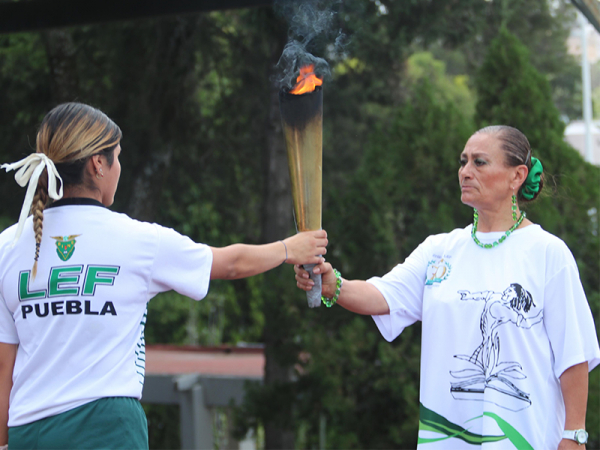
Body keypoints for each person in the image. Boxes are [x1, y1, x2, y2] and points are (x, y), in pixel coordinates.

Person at [0, 102, 328, 450]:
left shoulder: (7, 246)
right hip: (106, 428)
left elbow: (4, 366)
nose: (119, 167)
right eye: (117, 156)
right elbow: (229, 263)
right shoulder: (138, 240)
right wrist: (290, 248)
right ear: (98, 164)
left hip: (28, 432)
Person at [295, 125, 600, 449]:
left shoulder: (548, 253)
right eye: (463, 161)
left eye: (479, 162)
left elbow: (574, 355)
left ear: (517, 176)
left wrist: (574, 435)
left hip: (527, 439)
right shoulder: (439, 250)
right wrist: (333, 285)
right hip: (445, 438)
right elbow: (385, 295)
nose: (465, 172)